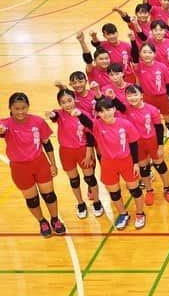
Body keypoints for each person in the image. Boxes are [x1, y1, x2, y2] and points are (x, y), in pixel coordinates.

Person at [0, 93, 66, 237]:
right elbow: (1, 130)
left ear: (28, 107)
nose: (20, 112)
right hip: (19, 168)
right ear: (10, 108)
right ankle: (42, 221)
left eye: (23, 108)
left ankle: (55, 219)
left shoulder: (38, 121)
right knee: (32, 199)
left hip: (40, 163)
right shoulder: (5, 124)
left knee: (49, 195)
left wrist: (53, 164)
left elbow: (47, 144)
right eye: (16, 108)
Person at [81, 98, 144, 230]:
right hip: (108, 163)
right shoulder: (97, 125)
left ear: (114, 109)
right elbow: (86, 122)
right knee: (114, 193)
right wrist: (78, 114)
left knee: (135, 190)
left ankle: (140, 213)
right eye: (102, 111)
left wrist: (136, 163)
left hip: (126, 161)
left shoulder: (125, 124)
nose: (106, 113)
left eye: (108, 109)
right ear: (97, 114)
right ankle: (123, 214)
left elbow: (133, 144)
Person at [46, 89, 102, 219]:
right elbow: (54, 115)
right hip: (66, 151)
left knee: (90, 178)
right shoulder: (59, 114)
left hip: (82, 150)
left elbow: (90, 134)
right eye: (63, 102)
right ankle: (80, 203)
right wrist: (50, 114)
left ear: (74, 100)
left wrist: (89, 153)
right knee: (74, 180)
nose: (67, 104)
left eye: (70, 100)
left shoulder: (83, 114)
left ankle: (97, 202)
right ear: (60, 104)